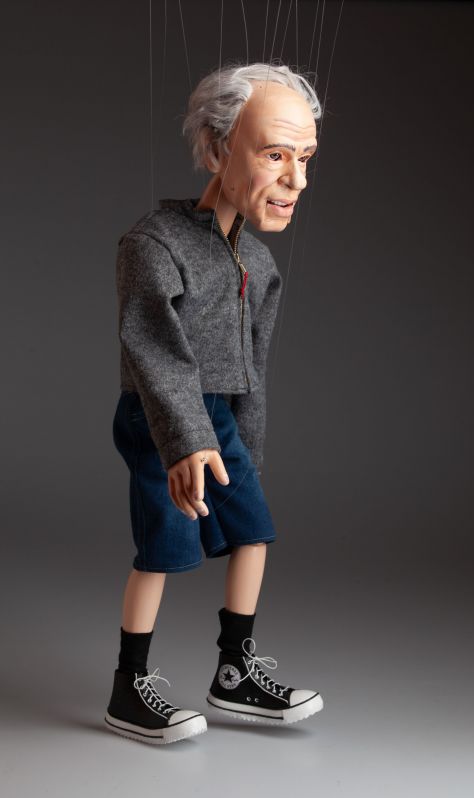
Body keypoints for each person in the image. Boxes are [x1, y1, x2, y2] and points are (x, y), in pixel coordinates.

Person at [105, 61, 324, 745]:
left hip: (220, 417)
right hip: (159, 416)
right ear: (217, 149)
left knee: (253, 530)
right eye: (275, 155)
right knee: (164, 549)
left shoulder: (259, 262)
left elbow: (251, 371)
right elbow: (152, 349)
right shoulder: (153, 244)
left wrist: (246, 454)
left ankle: (234, 670)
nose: (296, 180)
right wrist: (183, 439)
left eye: (305, 158)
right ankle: (128, 685)